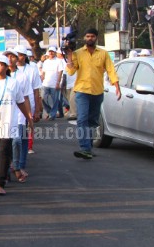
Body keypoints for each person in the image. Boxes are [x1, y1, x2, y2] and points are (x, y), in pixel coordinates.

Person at [64, 27, 120, 159]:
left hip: (97, 91)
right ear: (84, 38)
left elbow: (111, 70)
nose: (90, 38)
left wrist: (117, 85)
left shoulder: (103, 53)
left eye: (92, 36)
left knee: (92, 121)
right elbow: (71, 71)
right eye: (88, 36)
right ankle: (84, 148)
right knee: (82, 119)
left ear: (96, 38)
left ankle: (88, 147)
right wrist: (69, 55)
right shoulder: (77, 53)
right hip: (82, 90)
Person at [0, 58, 32, 195]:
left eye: (0, 64)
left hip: (9, 122)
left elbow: (20, 102)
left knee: (4, 151)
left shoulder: (14, 83)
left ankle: (0, 182)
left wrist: (28, 118)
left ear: (6, 66)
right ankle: (4, 171)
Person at [40, 47, 66, 120]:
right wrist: (42, 79)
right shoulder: (46, 62)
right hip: (45, 83)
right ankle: (49, 111)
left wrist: (58, 82)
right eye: (50, 51)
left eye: (53, 52)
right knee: (43, 98)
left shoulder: (58, 61)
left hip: (54, 84)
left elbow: (60, 72)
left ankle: (53, 114)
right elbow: (43, 72)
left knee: (55, 100)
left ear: (55, 53)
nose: (51, 53)